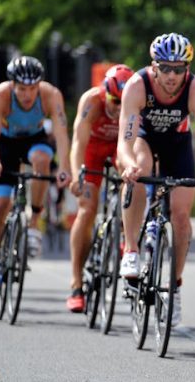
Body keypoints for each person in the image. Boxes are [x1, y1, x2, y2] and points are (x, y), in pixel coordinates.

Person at [118, 33, 195, 326]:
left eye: (179, 69)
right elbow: (125, 140)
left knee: (180, 216)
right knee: (139, 170)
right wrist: (126, 165)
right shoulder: (137, 86)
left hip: (177, 145)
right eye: (166, 68)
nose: (172, 76)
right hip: (144, 140)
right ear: (154, 66)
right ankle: (131, 249)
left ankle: (174, 286)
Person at [0, 55, 72, 308]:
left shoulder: (50, 95)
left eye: (32, 88)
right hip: (5, 146)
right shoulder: (0, 96)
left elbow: (62, 136)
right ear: (12, 85)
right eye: (22, 89)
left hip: (35, 140)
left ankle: (33, 222)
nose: (28, 95)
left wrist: (65, 167)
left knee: (42, 160)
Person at [66, 63, 134, 312]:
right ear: (105, 93)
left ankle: (126, 236)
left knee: (133, 184)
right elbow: (78, 142)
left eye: (123, 103)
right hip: (92, 149)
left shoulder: (136, 101)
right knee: (87, 209)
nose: (118, 109)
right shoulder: (92, 101)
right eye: (114, 101)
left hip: (119, 148)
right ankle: (75, 283)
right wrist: (76, 176)